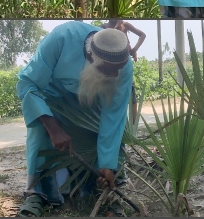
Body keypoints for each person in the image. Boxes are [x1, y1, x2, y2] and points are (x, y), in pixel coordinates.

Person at [16, 23, 133, 217]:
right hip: (50, 99)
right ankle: (37, 193)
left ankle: (108, 190)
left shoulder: (124, 65)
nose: (115, 75)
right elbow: (27, 84)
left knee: (103, 132)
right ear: (91, 57)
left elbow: (114, 115)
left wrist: (107, 164)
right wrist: (53, 128)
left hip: (89, 103)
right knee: (39, 130)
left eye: (119, 70)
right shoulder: (61, 38)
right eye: (109, 70)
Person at [100, 20, 146, 128]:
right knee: (112, 96)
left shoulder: (125, 25)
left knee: (131, 93)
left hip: (125, 65)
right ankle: (114, 125)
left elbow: (142, 35)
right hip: (110, 65)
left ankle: (133, 127)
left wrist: (134, 50)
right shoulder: (103, 27)